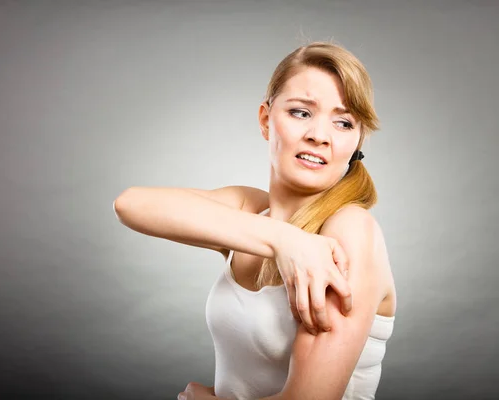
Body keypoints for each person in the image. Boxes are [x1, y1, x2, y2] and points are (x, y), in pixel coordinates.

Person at [113, 41, 396, 400]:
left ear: (357, 140)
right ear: (266, 120)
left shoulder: (351, 229)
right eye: (301, 113)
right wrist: (283, 239)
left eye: (343, 122)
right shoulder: (250, 208)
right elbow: (131, 204)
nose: (319, 136)